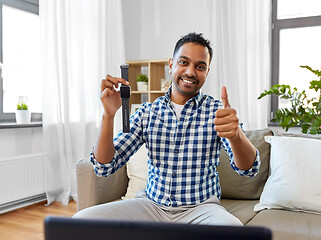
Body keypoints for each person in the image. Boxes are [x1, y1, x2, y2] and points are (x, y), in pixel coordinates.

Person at [74, 32, 260, 226]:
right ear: (171, 65)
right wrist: (108, 115)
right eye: (184, 62)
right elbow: (104, 166)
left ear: (207, 71)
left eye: (200, 66)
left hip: (202, 209)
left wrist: (236, 134)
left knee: (236, 230)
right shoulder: (147, 113)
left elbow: (250, 169)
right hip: (151, 206)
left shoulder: (218, 112)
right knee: (82, 221)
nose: (190, 72)